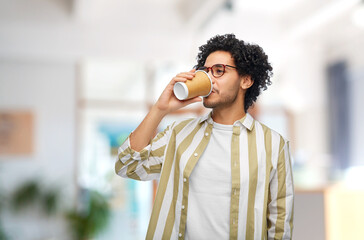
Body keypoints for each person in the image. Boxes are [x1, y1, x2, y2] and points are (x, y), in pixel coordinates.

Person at [115, 34, 294, 240]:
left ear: (246, 80)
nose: (209, 79)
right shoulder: (178, 134)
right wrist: (160, 109)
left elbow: (280, 225)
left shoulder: (273, 144)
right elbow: (126, 165)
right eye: (205, 72)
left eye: (219, 71)